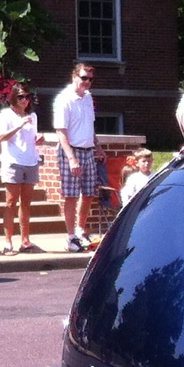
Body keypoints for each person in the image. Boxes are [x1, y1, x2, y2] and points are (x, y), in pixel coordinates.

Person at [53, 62, 102, 252]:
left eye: (90, 79)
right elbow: (61, 131)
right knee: (71, 196)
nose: (87, 82)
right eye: (83, 78)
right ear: (74, 76)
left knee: (89, 192)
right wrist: (72, 159)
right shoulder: (63, 99)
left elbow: (90, 126)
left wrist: (98, 147)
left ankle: (80, 229)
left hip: (88, 150)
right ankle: (71, 236)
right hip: (70, 151)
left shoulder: (88, 98)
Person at [0, 84, 40, 254]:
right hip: (13, 162)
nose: (25, 100)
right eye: (21, 97)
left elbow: (31, 138)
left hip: (30, 161)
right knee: (11, 202)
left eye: (27, 97)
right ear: (13, 97)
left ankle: (25, 241)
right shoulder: (6, 115)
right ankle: (8, 242)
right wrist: (19, 125)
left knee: (26, 203)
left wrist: (38, 139)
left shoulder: (32, 116)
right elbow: (0, 136)